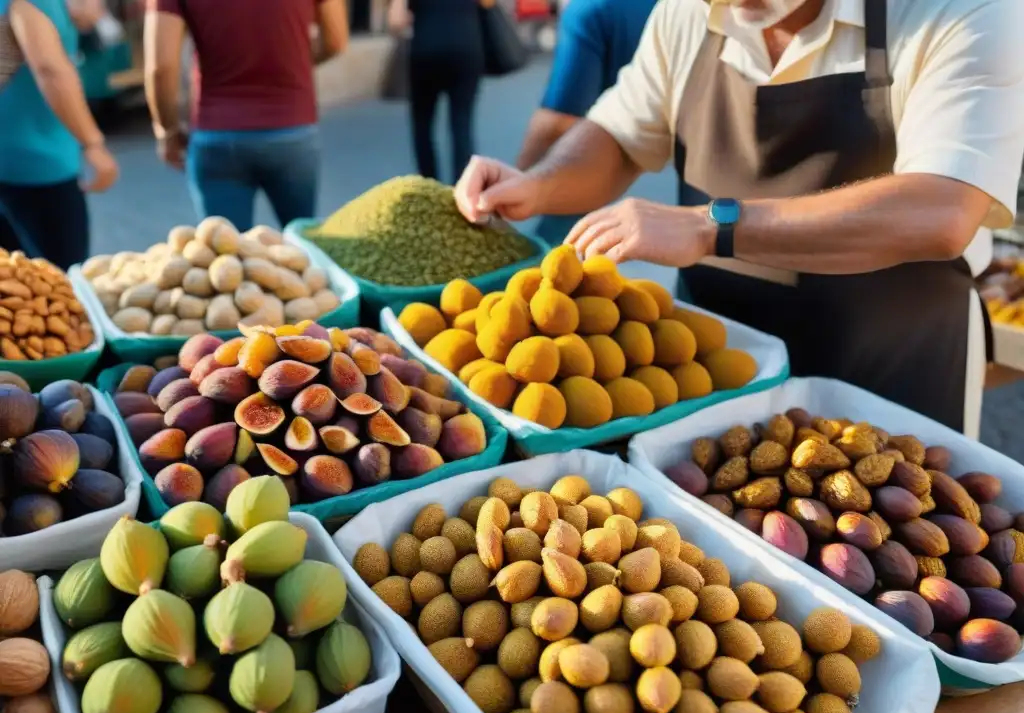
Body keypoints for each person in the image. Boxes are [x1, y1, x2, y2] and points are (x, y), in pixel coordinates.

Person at [455, 0, 1024, 438]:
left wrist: (712, 225)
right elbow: (621, 136)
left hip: (894, 379)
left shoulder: (961, 10)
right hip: (717, 374)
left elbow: (942, 208)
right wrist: (538, 184)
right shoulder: (688, 13)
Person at [143, 0, 349, 231]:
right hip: (292, 130)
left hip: (217, 135)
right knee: (301, 249)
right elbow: (336, 41)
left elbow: (160, 68)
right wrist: (294, 59)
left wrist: (167, 131)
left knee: (228, 256)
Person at [516, 0, 658, 246]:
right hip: (695, 186)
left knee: (553, 257)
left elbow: (558, 119)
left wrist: (520, 176)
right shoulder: (682, 7)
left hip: (586, 163)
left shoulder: (588, 10)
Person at [0, 0, 119, 269]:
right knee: (62, 285)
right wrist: (93, 143)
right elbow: (50, 68)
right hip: (34, 161)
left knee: (11, 288)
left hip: (13, 158)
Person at [387, 0, 486, 184]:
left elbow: (396, 21)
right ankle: (463, 195)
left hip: (425, 48)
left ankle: (429, 188)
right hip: (466, 46)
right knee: (462, 125)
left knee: (423, 127)